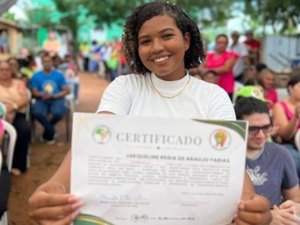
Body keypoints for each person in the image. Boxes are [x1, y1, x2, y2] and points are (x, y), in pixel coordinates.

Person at [28, 2, 271, 225]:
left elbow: (227, 161)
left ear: (186, 40)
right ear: (137, 48)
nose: (156, 48)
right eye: (145, 41)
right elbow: (98, 140)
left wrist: (250, 202)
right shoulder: (125, 87)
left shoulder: (213, 96)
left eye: (167, 36)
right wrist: (57, 183)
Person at [235, 97, 300, 225]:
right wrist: (269, 217)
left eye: (266, 128)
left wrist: (294, 206)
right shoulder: (228, 157)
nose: (261, 135)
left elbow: (294, 195)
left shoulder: (280, 154)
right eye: (252, 129)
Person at [30, 54, 70, 144]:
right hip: (42, 99)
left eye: (49, 61)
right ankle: (51, 130)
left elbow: (66, 90)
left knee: (58, 113)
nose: (47, 64)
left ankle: (47, 132)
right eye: (45, 62)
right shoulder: (36, 76)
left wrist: (56, 95)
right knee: (36, 113)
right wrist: (41, 94)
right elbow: (34, 91)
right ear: (42, 63)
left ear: (52, 63)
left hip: (56, 98)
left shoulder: (59, 75)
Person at [0, 60, 31, 175]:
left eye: (7, 69)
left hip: (17, 113)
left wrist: (12, 107)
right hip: (0, 114)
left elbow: (24, 99)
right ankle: (1, 162)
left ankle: (18, 165)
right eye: (1, 70)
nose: (4, 72)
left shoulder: (18, 83)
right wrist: (3, 110)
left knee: (24, 129)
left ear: (11, 71)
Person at [190, 34, 238, 100]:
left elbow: (225, 69)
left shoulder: (231, 55)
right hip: (209, 87)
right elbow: (200, 67)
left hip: (226, 88)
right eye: (219, 42)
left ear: (227, 44)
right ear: (216, 43)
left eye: (224, 43)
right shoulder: (209, 55)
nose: (222, 44)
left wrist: (207, 70)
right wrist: (206, 70)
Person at [273, 74, 300, 180]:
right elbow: (284, 135)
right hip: (290, 143)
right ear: (290, 88)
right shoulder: (279, 106)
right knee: (294, 161)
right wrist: (295, 117)